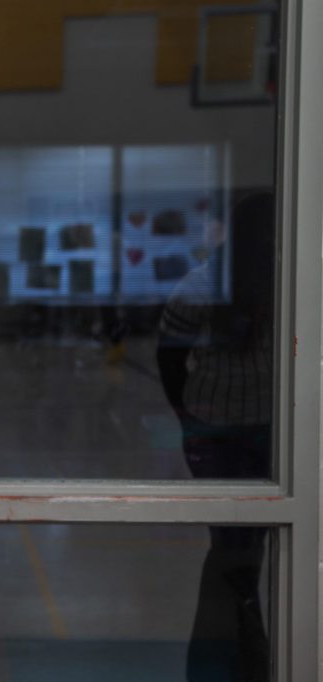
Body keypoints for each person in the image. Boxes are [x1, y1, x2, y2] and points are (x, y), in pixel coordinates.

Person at [157, 193, 273, 681]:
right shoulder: (203, 285)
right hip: (220, 434)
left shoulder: (280, 286)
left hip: (253, 430)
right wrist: (190, 415)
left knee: (245, 552)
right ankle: (229, 661)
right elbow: (169, 355)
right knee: (233, 553)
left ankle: (244, 654)